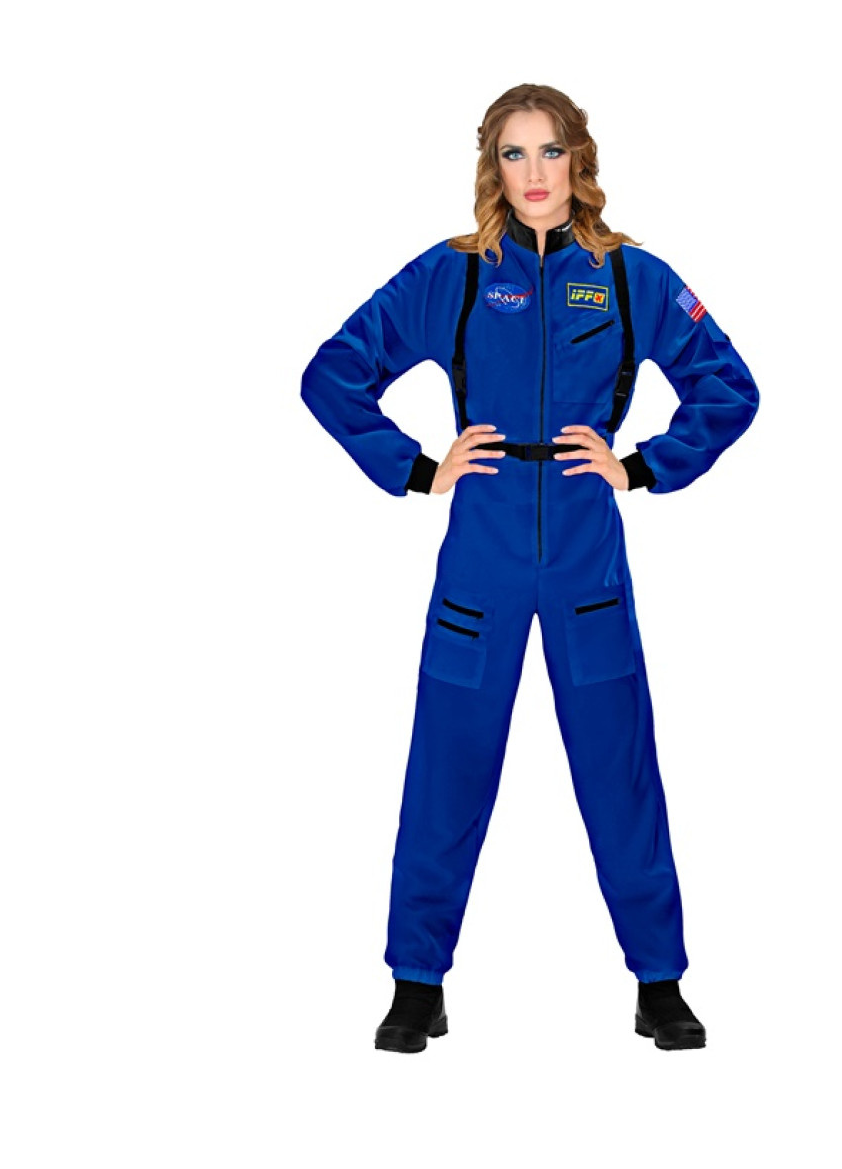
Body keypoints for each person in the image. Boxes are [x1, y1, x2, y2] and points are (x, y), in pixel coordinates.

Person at [299, 84, 759, 1052]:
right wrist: (416, 467)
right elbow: (331, 371)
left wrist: (644, 466)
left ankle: (660, 981)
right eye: (514, 153)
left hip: (587, 554)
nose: (535, 172)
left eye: (551, 150)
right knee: (448, 763)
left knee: (619, 767)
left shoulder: (630, 276)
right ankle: (416, 982)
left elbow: (730, 387)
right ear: (492, 168)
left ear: (578, 158)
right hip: (483, 552)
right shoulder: (455, 273)